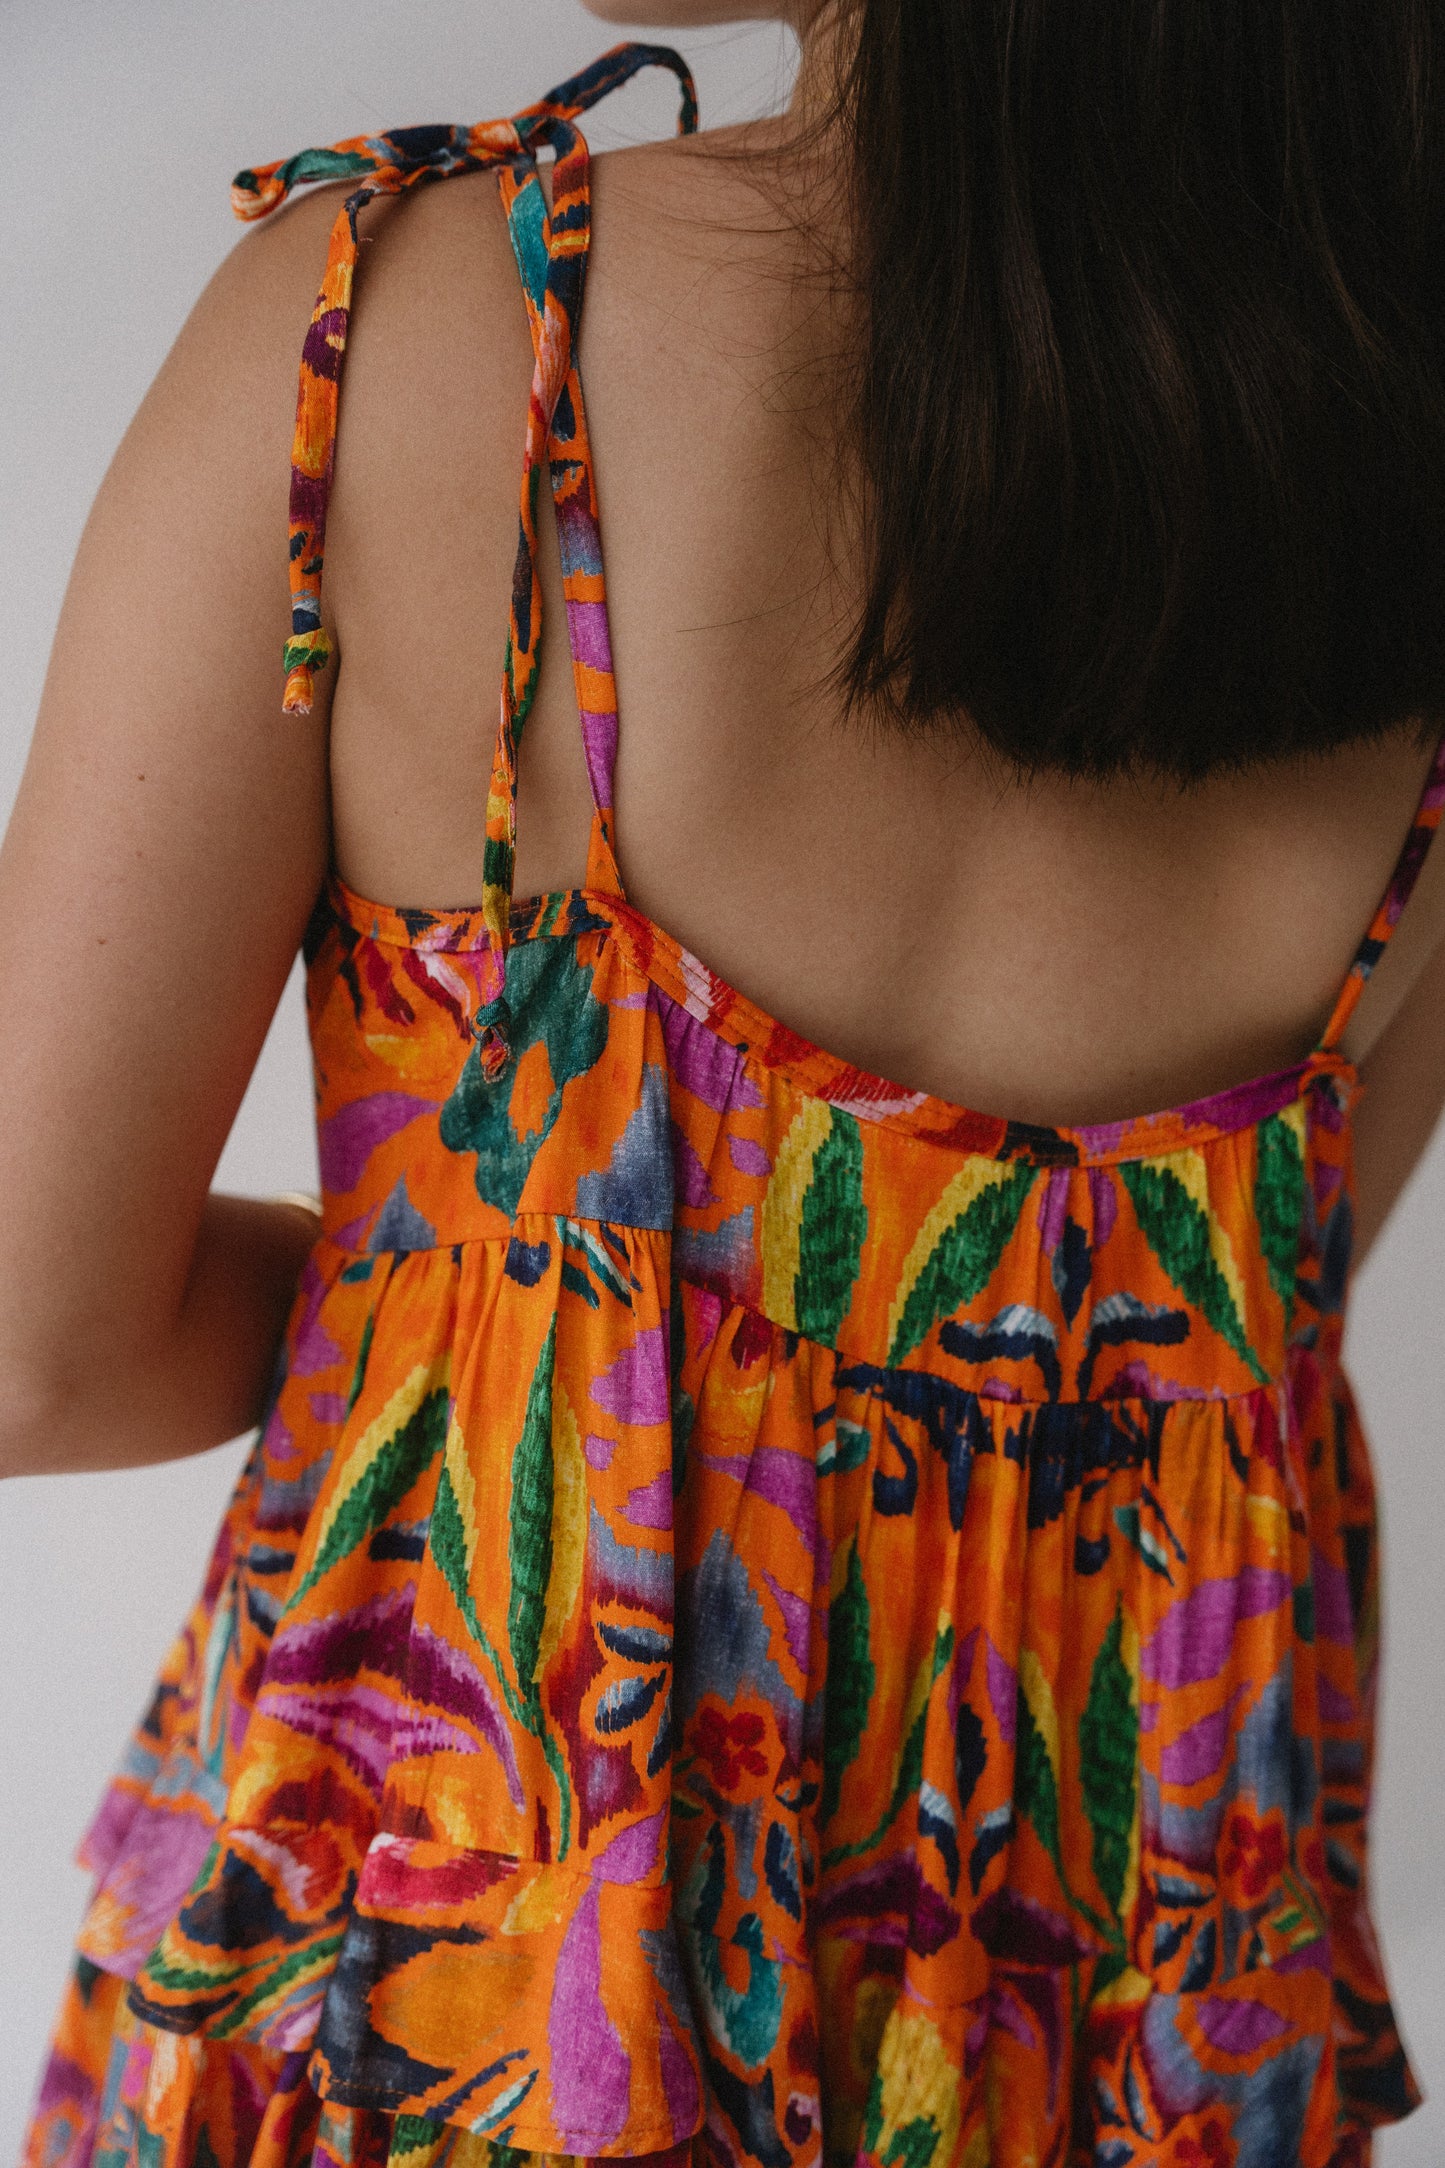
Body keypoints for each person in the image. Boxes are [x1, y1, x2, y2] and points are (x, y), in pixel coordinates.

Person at [7, 0, 1445, 2160]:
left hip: (458, 2009)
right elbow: (1252, 1345)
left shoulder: (420, 326)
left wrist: (498, 1322)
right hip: (1076, 2064)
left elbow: (31, 1344)